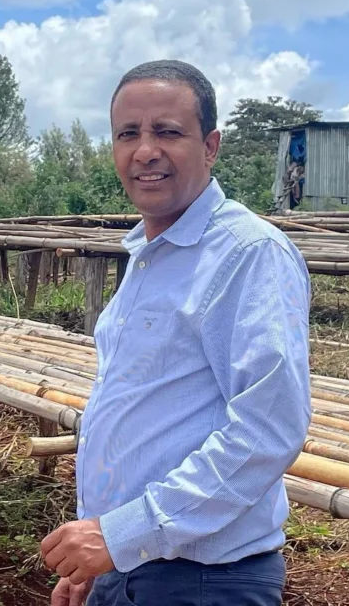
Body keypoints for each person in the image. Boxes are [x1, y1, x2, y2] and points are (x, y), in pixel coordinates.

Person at [40, 60, 312, 606]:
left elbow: (268, 428)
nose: (145, 151)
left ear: (210, 146)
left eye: (167, 132)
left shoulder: (246, 253)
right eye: (128, 134)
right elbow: (148, 413)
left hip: (203, 583)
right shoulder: (146, 255)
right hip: (132, 565)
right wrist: (105, 555)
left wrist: (120, 535)